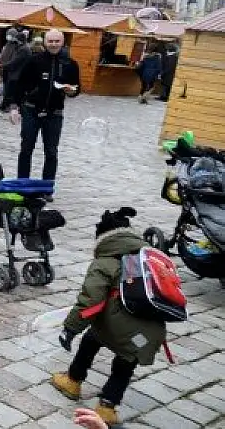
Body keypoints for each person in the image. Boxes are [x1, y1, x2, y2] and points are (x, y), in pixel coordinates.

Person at [51, 208, 165, 428]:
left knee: (91, 338)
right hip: (151, 333)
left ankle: (73, 381)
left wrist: (70, 328)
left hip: (120, 328)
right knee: (126, 359)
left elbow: (90, 301)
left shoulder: (105, 262)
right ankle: (107, 407)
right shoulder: (148, 257)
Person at [9, 29, 81, 183]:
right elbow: (19, 85)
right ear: (45, 42)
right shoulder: (34, 60)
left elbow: (76, 88)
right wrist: (14, 107)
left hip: (54, 113)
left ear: (63, 42)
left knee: (51, 152)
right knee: (26, 149)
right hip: (31, 109)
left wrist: (71, 92)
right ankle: (22, 183)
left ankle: (47, 187)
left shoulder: (70, 64)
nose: (53, 44)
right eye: (50, 41)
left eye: (57, 41)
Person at [0, 29, 27, 112]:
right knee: (6, 87)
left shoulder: (17, 47)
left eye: (10, 35)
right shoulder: (8, 44)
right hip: (6, 69)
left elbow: (14, 60)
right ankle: (6, 105)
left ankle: (6, 106)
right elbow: (4, 55)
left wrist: (5, 65)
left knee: (9, 89)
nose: (8, 36)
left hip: (11, 70)